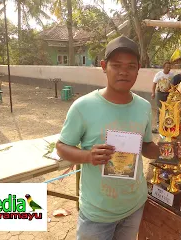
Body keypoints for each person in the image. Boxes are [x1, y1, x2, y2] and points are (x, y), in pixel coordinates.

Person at [56, 35, 159, 240]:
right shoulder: (83, 107)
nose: (123, 71)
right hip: (97, 213)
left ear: (139, 68)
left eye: (131, 66)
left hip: (134, 205)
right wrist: (88, 156)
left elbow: (146, 145)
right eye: (116, 65)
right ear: (104, 66)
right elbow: (61, 147)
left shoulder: (144, 107)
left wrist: (165, 149)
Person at [151, 61, 174, 133]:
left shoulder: (171, 75)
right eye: (167, 67)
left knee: (167, 109)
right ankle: (159, 125)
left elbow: (173, 85)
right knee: (160, 109)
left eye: (169, 67)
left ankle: (166, 125)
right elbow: (154, 84)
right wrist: (153, 93)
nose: (168, 68)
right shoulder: (159, 74)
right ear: (164, 67)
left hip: (168, 95)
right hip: (160, 94)